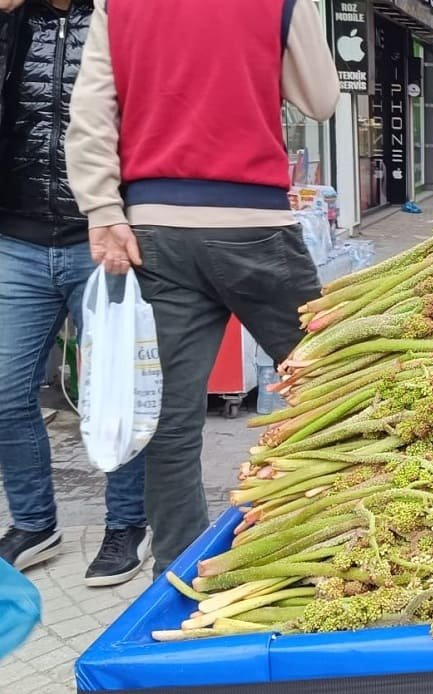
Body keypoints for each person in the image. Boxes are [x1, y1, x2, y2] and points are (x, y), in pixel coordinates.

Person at [65, 0, 339, 574]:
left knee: (171, 421)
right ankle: (336, 542)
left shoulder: (118, 5)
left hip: (154, 228)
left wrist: (102, 210)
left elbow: (90, 114)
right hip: (254, 226)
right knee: (332, 388)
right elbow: (320, 99)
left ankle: (181, 572)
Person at [0, 0, 148, 586]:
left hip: (103, 236)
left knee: (113, 391)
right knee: (7, 392)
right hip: (16, 236)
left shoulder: (120, 15)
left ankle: (127, 525)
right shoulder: (13, 20)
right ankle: (35, 522)